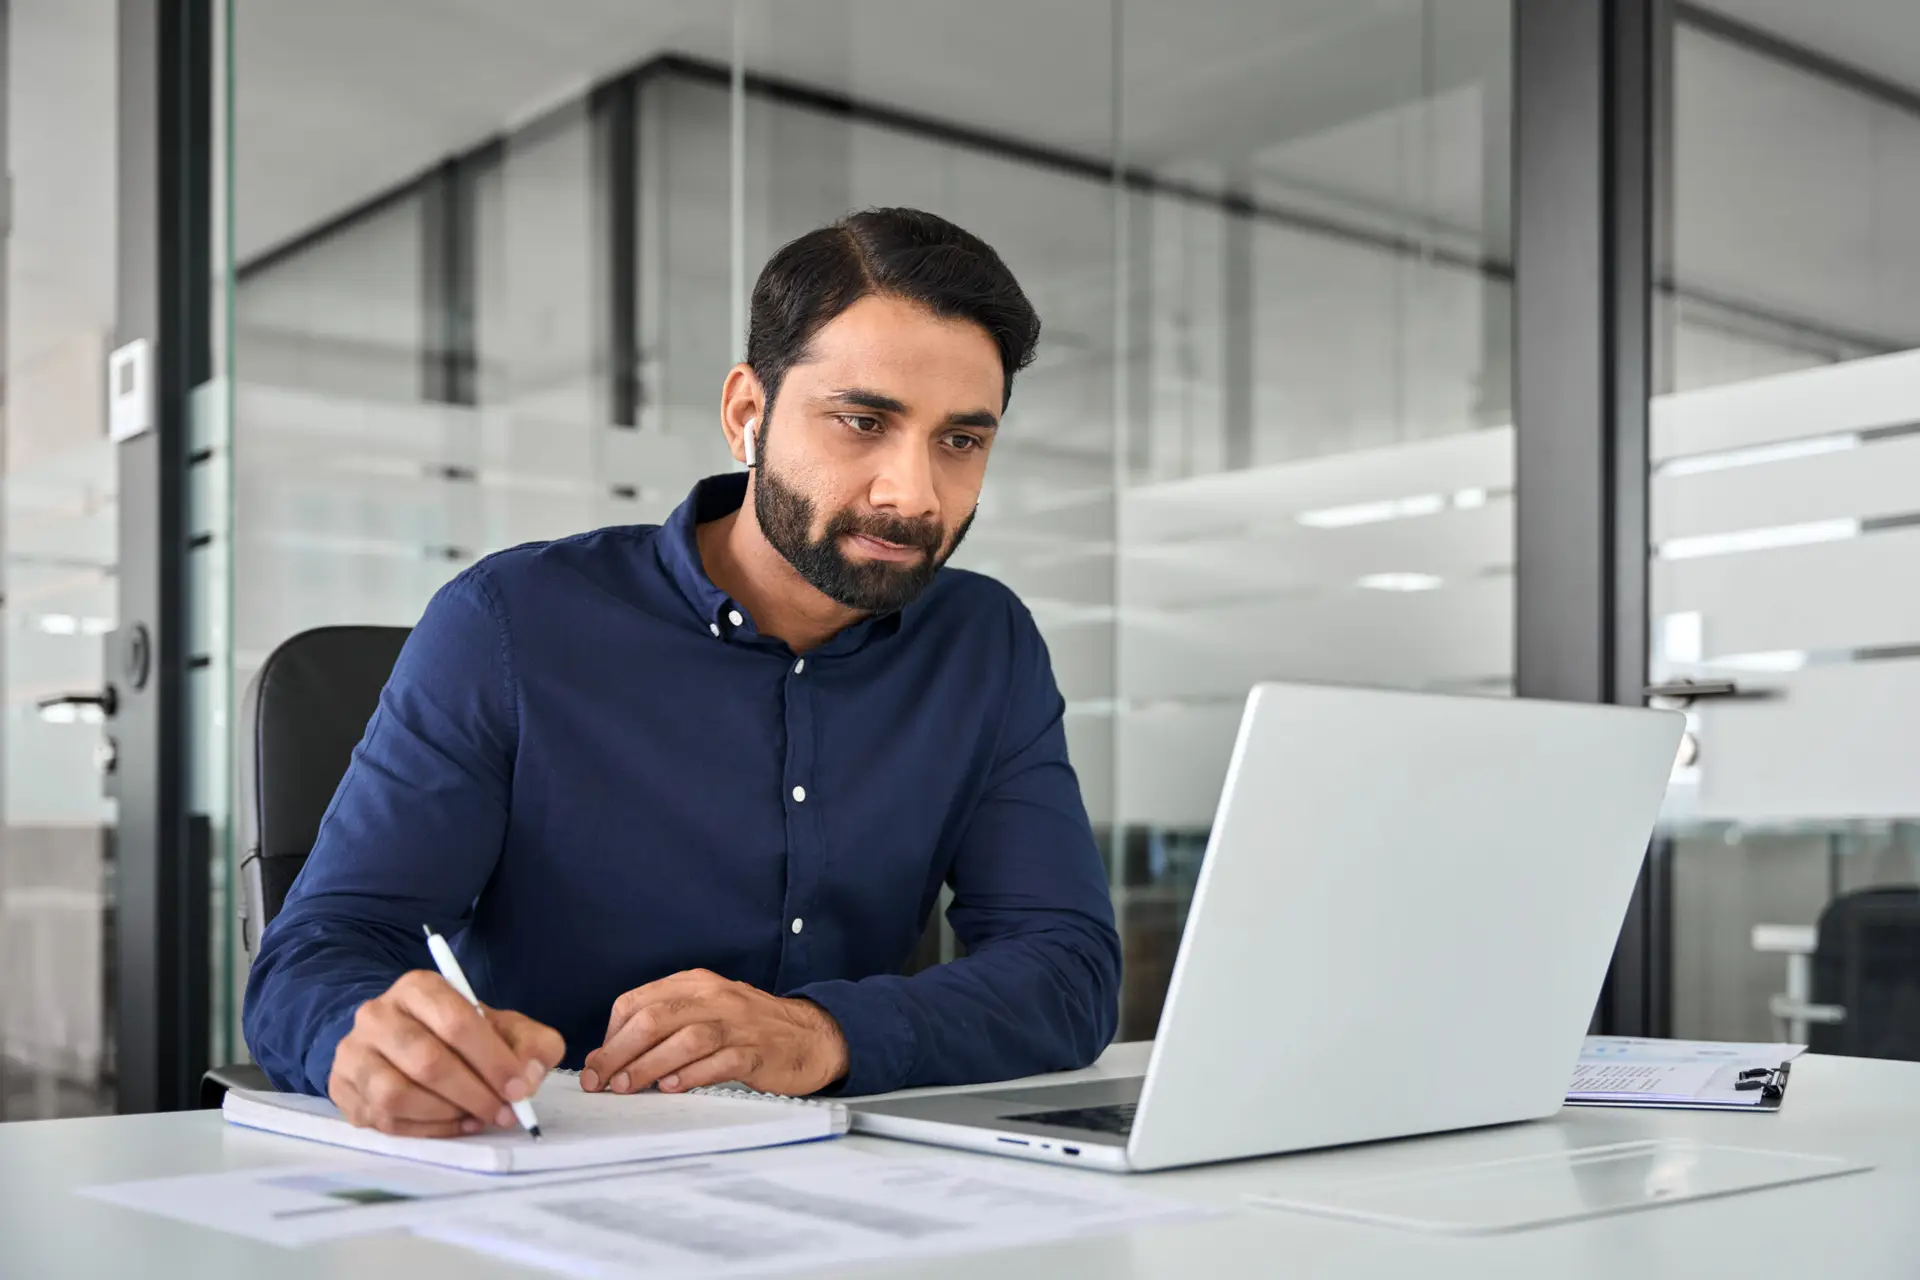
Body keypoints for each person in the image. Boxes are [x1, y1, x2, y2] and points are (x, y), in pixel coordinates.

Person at [242, 207, 1122, 1137]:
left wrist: (823, 1034)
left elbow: (1065, 968)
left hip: (854, 1174)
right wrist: (362, 1042)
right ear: (748, 413)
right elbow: (318, 953)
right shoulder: (509, 624)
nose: (912, 493)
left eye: (960, 441)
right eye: (863, 421)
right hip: (552, 1165)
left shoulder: (986, 643)